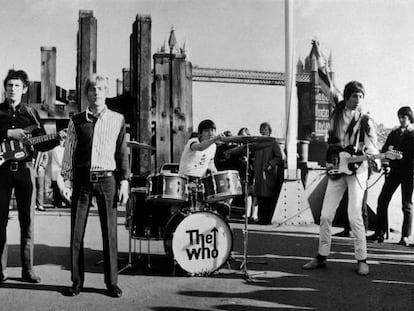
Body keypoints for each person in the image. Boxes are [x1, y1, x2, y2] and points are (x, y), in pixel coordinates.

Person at [61, 74, 129, 297]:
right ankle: (76, 281)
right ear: (87, 93)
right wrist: (66, 180)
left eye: (101, 88)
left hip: (107, 180)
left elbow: (122, 153)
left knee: (109, 233)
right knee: (76, 233)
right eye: (92, 89)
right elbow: (69, 152)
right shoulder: (76, 120)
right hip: (82, 181)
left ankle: (111, 283)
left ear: (106, 92)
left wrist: (125, 182)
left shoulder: (118, 120)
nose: (97, 92)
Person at [302, 81, 380, 276]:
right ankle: (321, 255)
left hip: (357, 170)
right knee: (326, 215)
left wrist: (376, 160)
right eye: (354, 96)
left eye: (361, 96)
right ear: (347, 96)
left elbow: (371, 146)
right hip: (337, 168)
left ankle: (362, 260)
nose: (358, 100)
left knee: (355, 216)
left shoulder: (366, 121)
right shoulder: (336, 112)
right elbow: (325, 83)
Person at [0, 69, 59, 284]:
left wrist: (58, 138)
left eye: (16, 86)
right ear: (4, 88)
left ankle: (27, 270)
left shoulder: (31, 114)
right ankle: (0, 271)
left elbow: (41, 141)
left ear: (24, 89)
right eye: (9, 85)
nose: (12, 89)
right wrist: (8, 133)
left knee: (28, 222)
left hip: (25, 171)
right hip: (2, 173)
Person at [367, 106, 414, 246]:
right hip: (394, 171)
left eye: (404, 117)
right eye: (399, 117)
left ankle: (405, 236)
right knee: (382, 200)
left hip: (409, 172)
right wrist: (387, 160)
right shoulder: (394, 133)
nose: (401, 119)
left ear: (410, 118)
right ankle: (379, 233)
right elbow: (385, 149)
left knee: (406, 204)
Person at [178, 119, 224, 209]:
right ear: (200, 134)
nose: (210, 133)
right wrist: (215, 139)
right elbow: (200, 147)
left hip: (201, 179)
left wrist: (219, 176)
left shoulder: (213, 146)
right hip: (187, 178)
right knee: (190, 206)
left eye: (213, 130)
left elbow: (210, 163)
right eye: (207, 131)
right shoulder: (193, 141)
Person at [253, 122, 284, 225]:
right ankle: (260, 217)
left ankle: (267, 218)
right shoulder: (258, 143)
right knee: (260, 196)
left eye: (265, 129)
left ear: (269, 131)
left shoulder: (273, 142)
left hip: (269, 173)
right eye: (262, 129)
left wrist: (270, 165)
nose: (263, 131)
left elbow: (279, 156)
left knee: (268, 195)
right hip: (259, 174)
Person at [50, 129, 67, 208]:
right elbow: (59, 161)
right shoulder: (56, 149)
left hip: (63, 170)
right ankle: (57, 202)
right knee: (56, 187)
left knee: (64, 187)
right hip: (56, 170)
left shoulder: (66, 149)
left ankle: (65, 201)